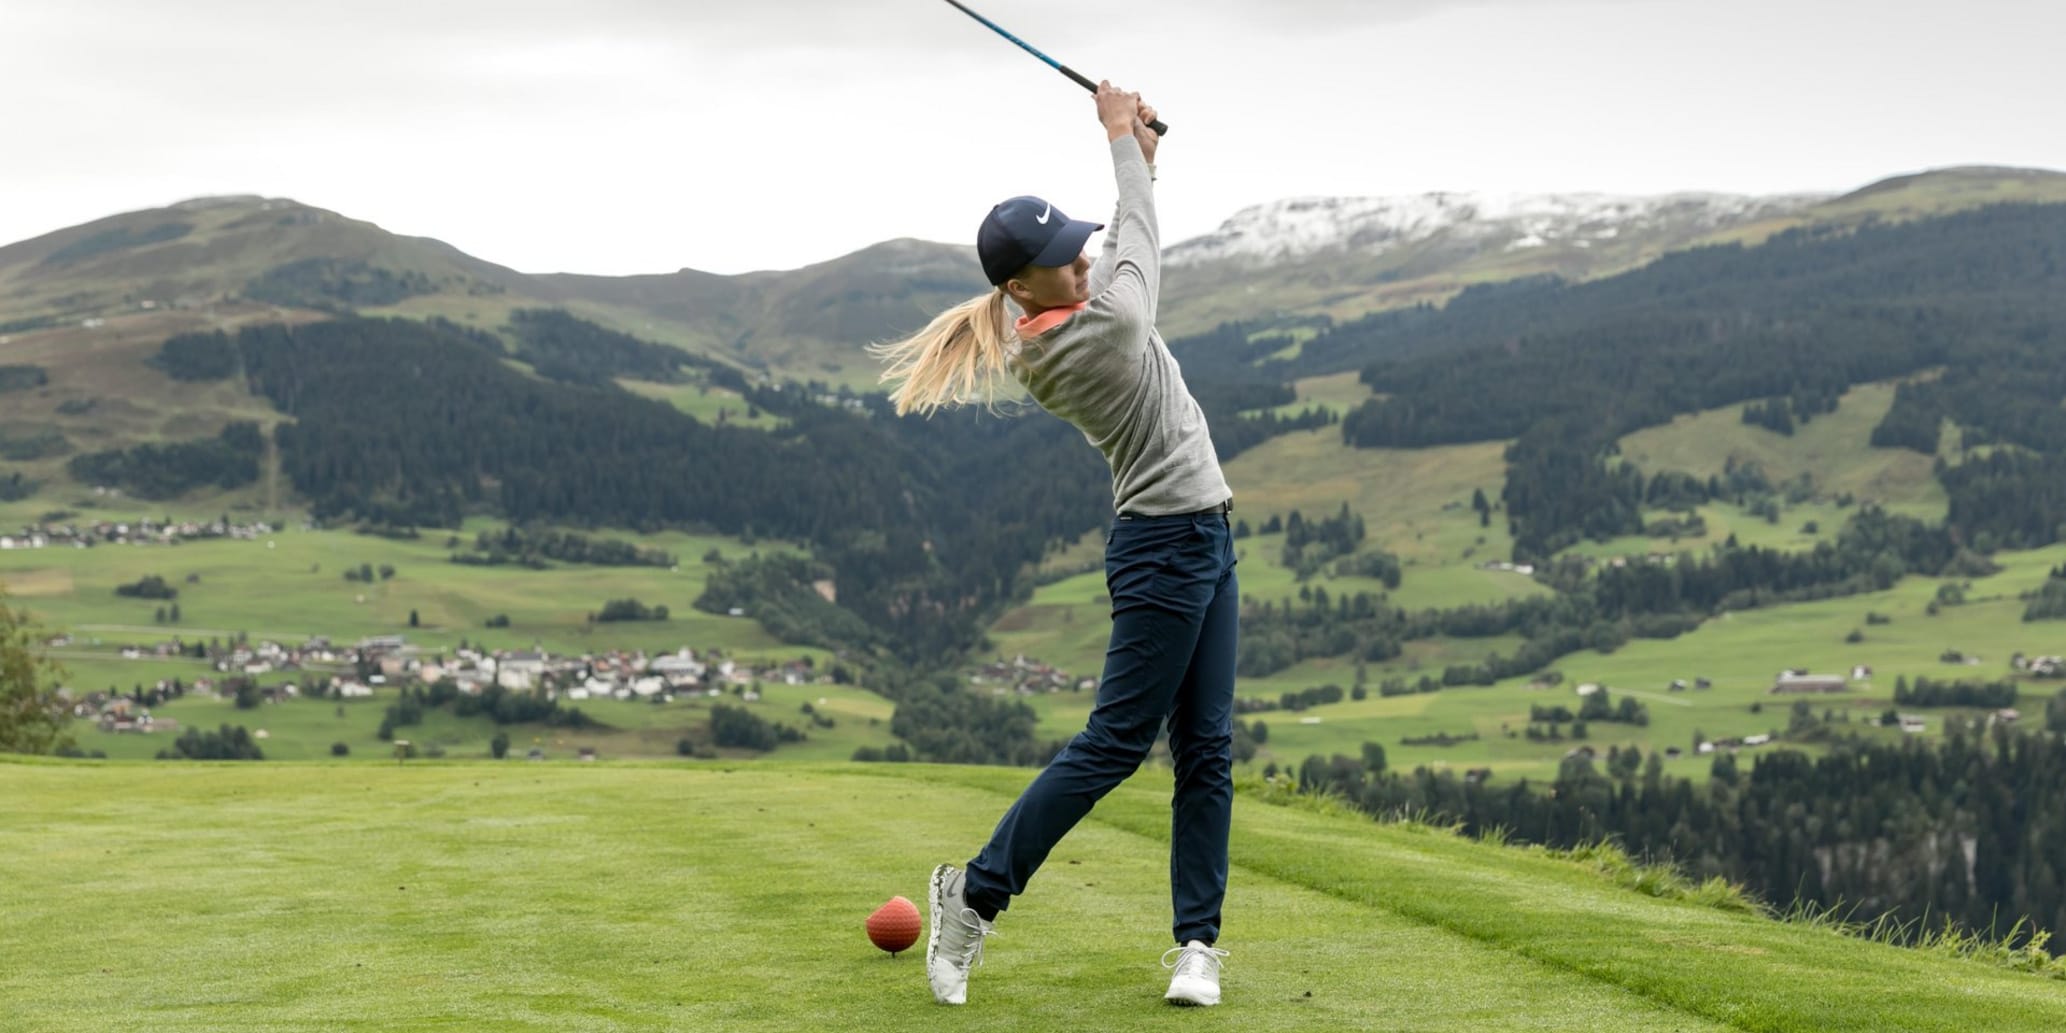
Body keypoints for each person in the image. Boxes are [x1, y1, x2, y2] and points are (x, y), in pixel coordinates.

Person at [870, 81, 1239, 1008]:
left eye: (1078, 249)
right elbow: (1139, 243)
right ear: (1018, 287)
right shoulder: (1098, 333)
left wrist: (1139, 156)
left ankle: (1198, 943)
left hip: (1207, 535)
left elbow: (1117, 235)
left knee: (1207, 749)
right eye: (1062, 258)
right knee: (1115, 745)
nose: (1082, 259)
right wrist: (1120, 136)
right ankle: (973, 895)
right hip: (1166, 548)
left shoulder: (1074, 304)